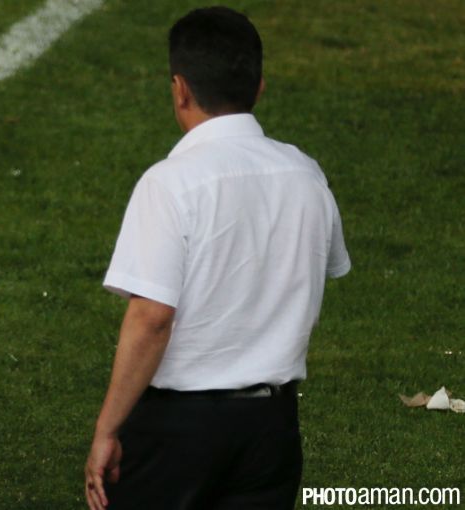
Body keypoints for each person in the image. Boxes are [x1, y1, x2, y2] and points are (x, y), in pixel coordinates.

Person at [84, 7, 350, 510]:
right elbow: (322, 269)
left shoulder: (169, 183)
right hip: (272, 430)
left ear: (180, 89)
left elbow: (152, 318)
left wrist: (107, 428)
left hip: (178, 430)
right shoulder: (306, 174)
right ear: (260, 87)